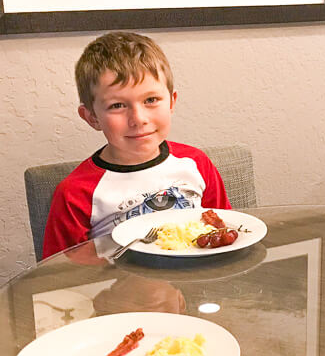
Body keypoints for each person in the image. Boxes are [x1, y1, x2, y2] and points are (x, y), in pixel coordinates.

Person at [42, 31, 230, 258]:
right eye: (118, 105)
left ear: (171, 101)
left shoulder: (196, 163)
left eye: (151, 100)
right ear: (92, 117)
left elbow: (224, 231)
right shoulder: (74, 194)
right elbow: (58, 275)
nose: (139, 118)